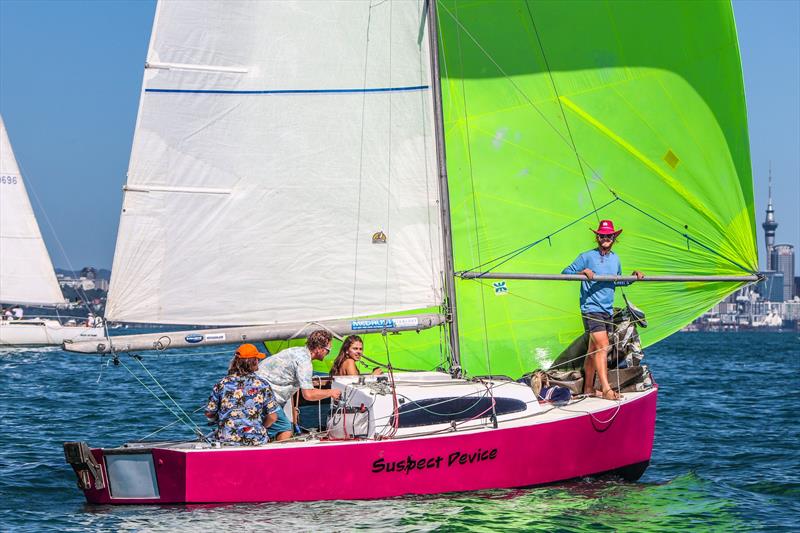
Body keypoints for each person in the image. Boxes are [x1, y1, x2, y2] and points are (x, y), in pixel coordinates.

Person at [562, 219, 644, 400]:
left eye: (609, 235)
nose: (605, 238)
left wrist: (633, 277)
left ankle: (589, 388)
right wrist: (581, 273)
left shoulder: (615, 259)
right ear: (597, 237)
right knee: (603, 346)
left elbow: (618, 280)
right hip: (591, 308)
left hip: (607, 310)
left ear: (614, 237)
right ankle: (606, 389)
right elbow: (565, 273)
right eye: (602, 235)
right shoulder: (586, 256)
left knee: (593, 350)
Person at [256, 330, 342, 441]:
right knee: (285, 428)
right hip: (265, 397)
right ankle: (278, 457)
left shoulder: (296, 351)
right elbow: (308, 394)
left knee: (268, 427)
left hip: (256, 392)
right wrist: (331, 392)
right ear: (319, 349)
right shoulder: (304, 362)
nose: (328, 353)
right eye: (328, 350)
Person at [204, 343, 280, 446]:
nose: (258, 361)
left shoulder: (222, 384)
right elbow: (272, 417)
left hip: (227, 440)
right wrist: (261, 427)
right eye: (257, 359)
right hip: (255, 440)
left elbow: (209, 413)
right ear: (253, 362)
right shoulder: (262, 385)